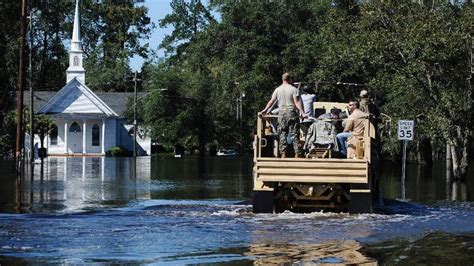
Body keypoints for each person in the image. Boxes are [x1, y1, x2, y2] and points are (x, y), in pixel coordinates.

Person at [261, 72, 307, 158]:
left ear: (282, 79)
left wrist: (265, 109)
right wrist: (303, 113)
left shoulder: (277, 89)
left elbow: (271, 101)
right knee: (294, 134)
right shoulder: (294, 89)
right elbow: (296, 102)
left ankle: (283, 153)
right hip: (291, 113)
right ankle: (297, 153)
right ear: (290, 79)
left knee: (282, 134)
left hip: (281, 113)